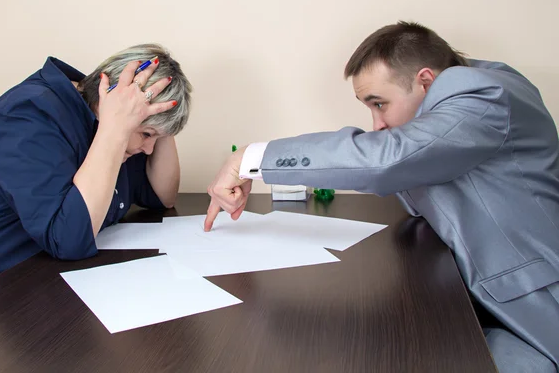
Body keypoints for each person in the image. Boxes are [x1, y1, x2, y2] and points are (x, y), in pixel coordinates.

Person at [204, 22, 559, 372]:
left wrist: (250, 159)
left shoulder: (481, 94)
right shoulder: (475, 86)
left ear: (425, 80)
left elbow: (388, 159)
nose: (376, 124)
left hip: (531, 316)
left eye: (379, 104)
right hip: (480, 298)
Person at [0, 44, 192, 295]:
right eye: (146, 135)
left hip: (49, 281)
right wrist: (115, 127)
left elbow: (162, 197)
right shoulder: (29, 116)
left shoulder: (114, 125)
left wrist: (164, 121)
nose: (148, 150)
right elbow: (69, 239)